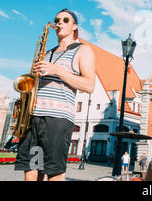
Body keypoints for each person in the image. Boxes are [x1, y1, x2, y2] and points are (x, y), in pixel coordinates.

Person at [14, 9, 96, 181]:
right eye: (57, 20)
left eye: (66, 20)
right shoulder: (48, 53)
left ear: (75, 26)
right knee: (31, 168)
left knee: (54, 172)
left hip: (57, 119)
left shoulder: (83, 50)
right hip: (33, 117)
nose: (59, 23)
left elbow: (89, 85)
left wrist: (58, 71)